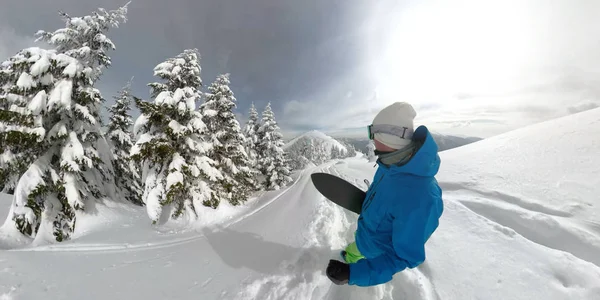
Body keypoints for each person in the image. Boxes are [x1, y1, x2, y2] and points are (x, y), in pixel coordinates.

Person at [325, 101, 444, 287]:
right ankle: (350, 255)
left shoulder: (421, 197)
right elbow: (386, 196)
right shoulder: (391, 164)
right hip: (366, 236)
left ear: (391, 139)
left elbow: (401, 257)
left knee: (363, 252)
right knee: (355, 248)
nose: (371, 140)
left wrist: (353, 273)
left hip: (378, 252)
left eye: (374, 134)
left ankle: (354, 262)